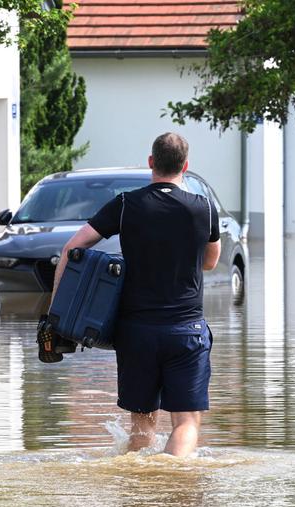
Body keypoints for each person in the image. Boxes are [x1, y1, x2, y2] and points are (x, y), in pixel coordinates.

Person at [49, 132, 220, 457]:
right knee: (186, 423)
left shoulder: (126, 205)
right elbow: (210, 262)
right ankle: (172, 487)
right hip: (186, 332)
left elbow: (73, 248)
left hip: (136, 333)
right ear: (186, 165)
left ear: (151, 162)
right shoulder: (204, 209)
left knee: (142, 426)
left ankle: (141, 490)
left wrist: (55, 312)